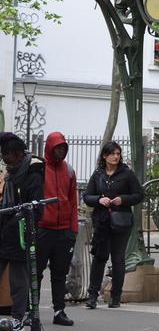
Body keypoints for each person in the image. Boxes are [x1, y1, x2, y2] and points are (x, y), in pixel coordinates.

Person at [83, 141, 144, 309]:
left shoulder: (127, 174)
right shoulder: (98, 174)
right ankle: (92, 296)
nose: (116, 156)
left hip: (121, 221)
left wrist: (123, 199)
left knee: (118, 259)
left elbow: (139, 195)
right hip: (102, 222)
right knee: (99, 258)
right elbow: (87, 196)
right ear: (105, 156)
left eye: (118, 153)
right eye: (112, 154)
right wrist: (98, 199)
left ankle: (116, 297)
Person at [0, 133, 44, 331]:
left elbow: (36, 209)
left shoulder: (32, 175)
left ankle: (18, 317)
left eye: (7, 154)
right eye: (2, 154)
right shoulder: (10, 175)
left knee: (19, 281)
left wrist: (14, 221)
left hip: (20, 236)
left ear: (18, 154)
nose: (4, 159)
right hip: (3, 234)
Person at [36, 132, 78, 326]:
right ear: (49, 148)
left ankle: (59, 311)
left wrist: (73, 230)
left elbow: (73, 201)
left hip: (64, 232)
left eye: (63, 147)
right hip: (43, 229)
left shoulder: (69, 170)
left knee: (59, 274)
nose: (61, 151)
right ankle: (32, 311)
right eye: (57, 147)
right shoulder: (38, 169)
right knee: (36, 272)